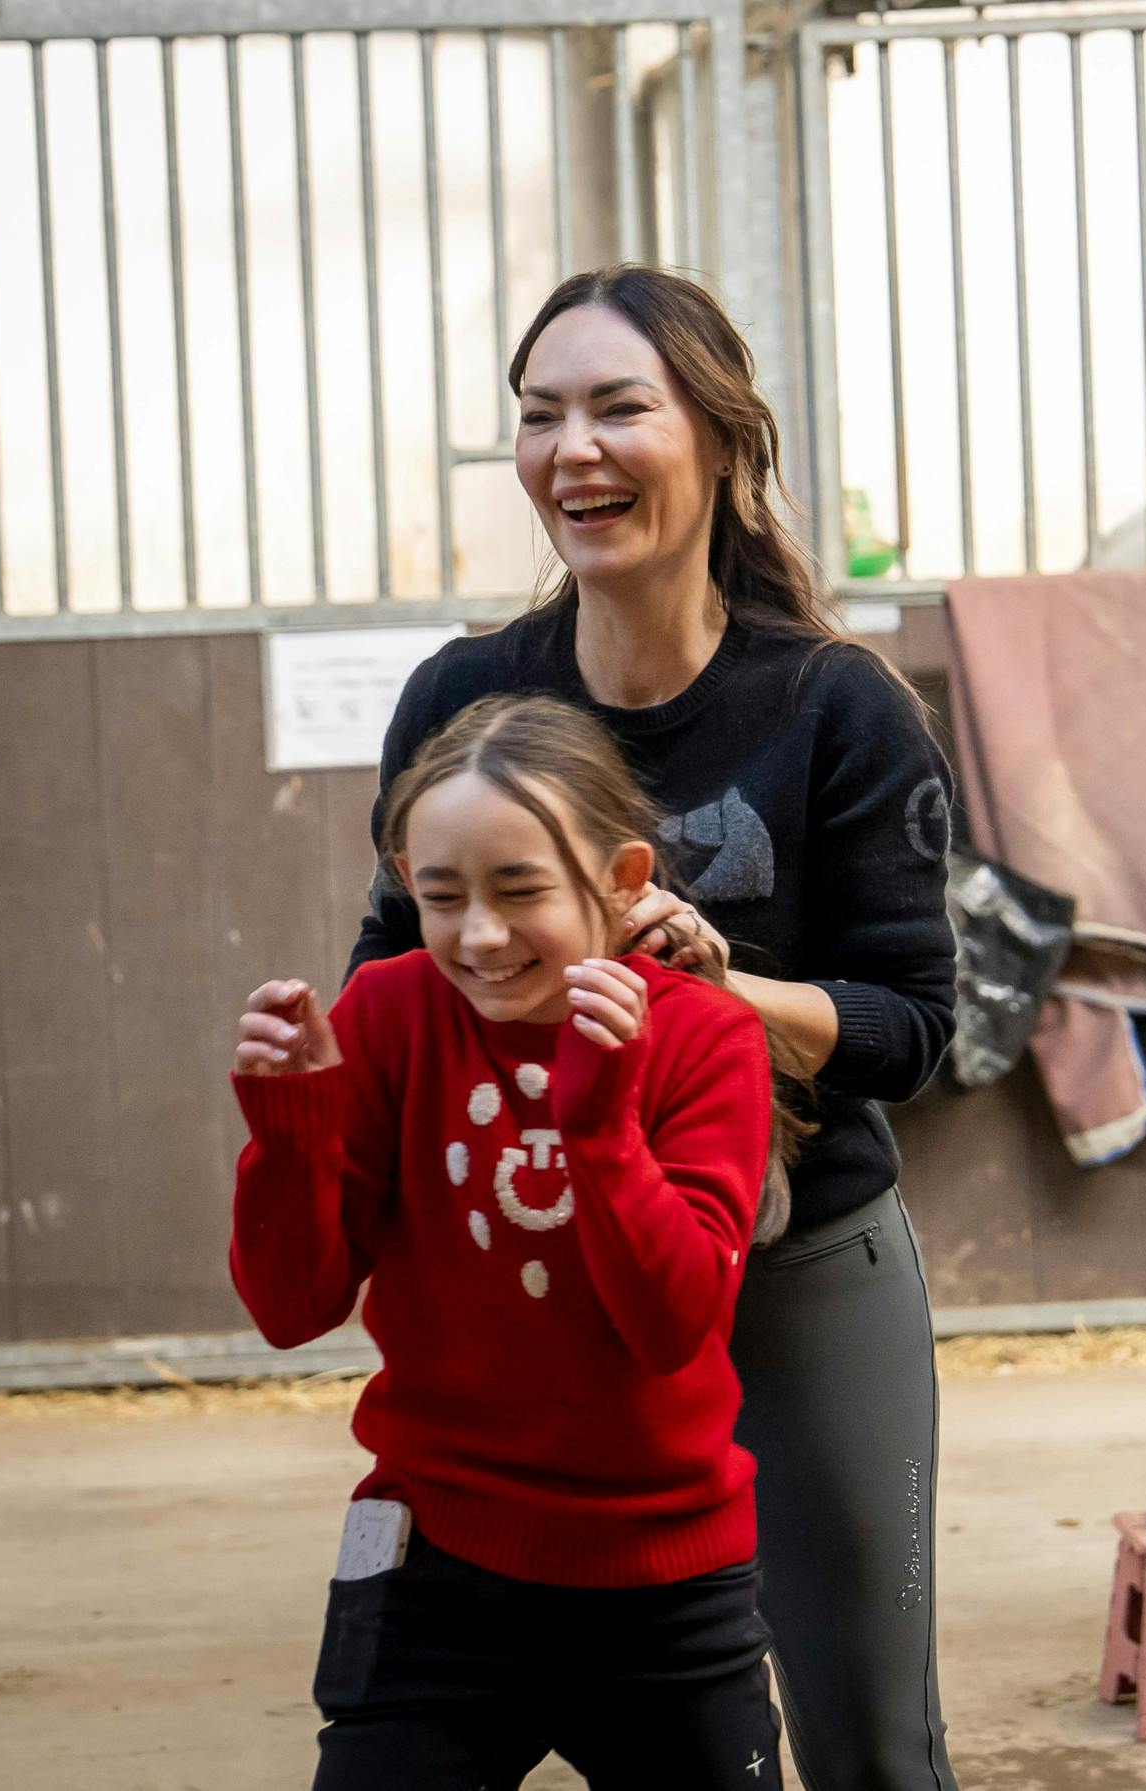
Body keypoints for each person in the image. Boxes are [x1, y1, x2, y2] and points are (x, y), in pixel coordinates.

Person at [350, 265, 961, 1791]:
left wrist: (721, 988)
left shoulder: (839, 705)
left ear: (722, 439)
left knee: (873, 1738)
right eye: (541, 414)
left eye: (621, 406)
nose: (575, 448)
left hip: (800, 1257)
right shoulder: (465, 694)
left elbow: (919, 1024)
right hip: (542, 1268)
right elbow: (382, 966)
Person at [232, 694, 788, 1789]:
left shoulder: (705, 1037)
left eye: (519, 891)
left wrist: (596, 1128)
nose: (478, 936)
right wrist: (290, 1132)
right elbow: (291, 1310)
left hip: (663, 1581)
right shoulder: (390, 1014)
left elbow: (673, 1323)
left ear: (624, 879)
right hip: (434, 1559)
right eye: (440, 897)